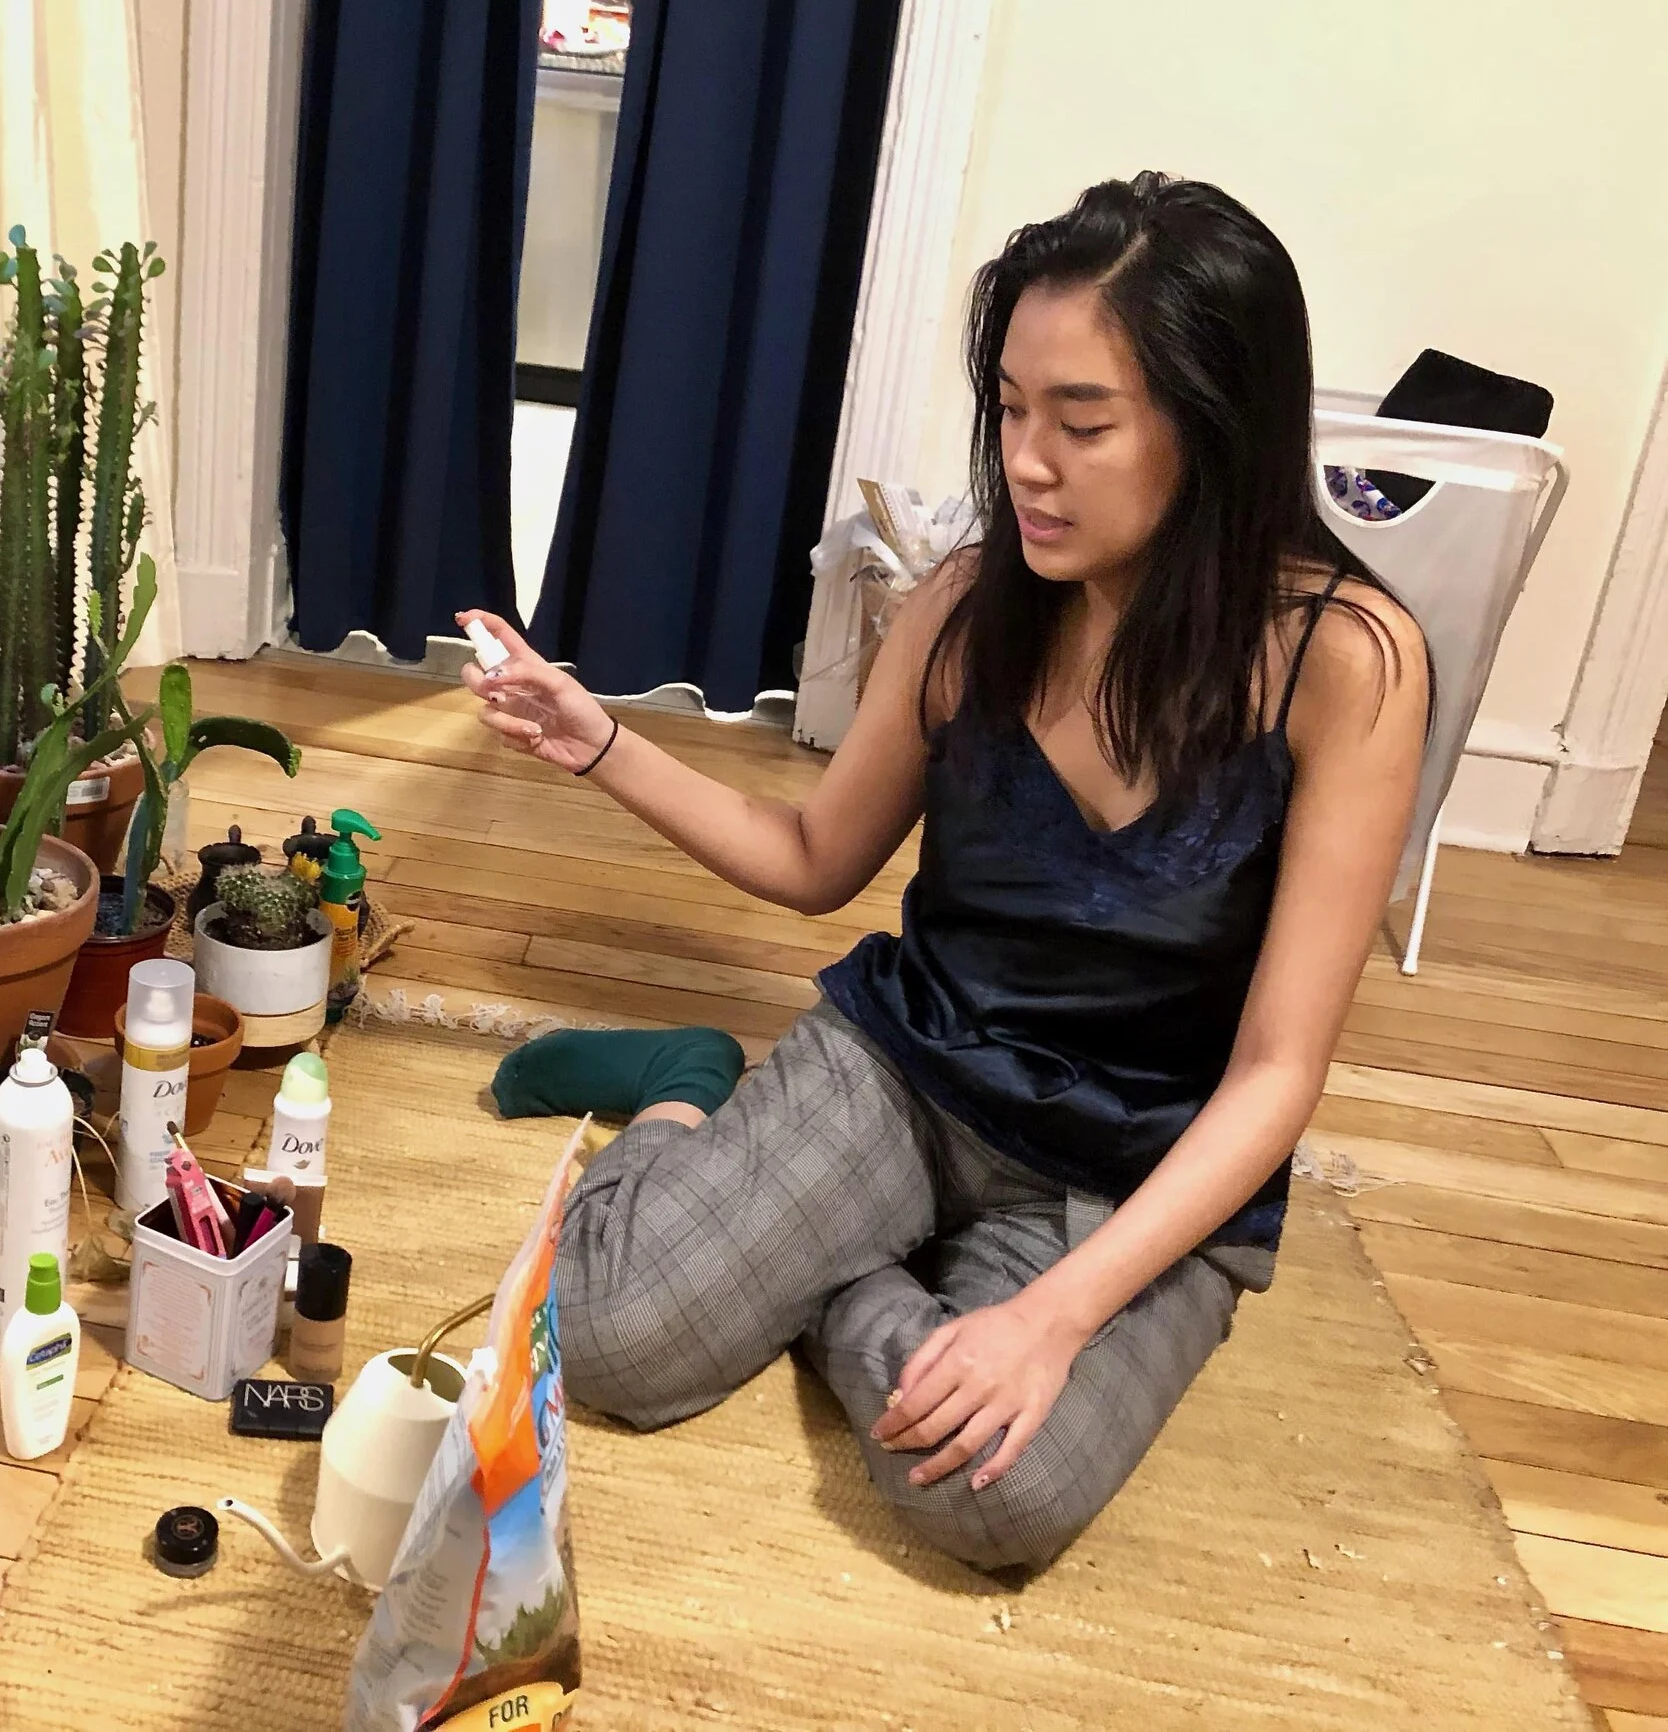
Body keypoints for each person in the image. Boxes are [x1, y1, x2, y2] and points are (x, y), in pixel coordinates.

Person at [458, 172, 1429, 1573]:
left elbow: (1279, 1071)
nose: (1026, 461)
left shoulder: (1348, 663)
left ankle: (838, 1272)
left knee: (994, 1496)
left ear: (1216, 423)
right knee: (606, 1335)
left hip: (1131, 1157)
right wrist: (600, 740)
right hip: (911, 1069)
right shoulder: (970, 605)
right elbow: (813, 858)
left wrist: (1052, 1318)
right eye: (1012, 411)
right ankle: (689, 1088)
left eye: (1081, 423)